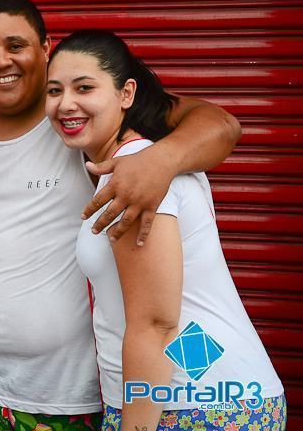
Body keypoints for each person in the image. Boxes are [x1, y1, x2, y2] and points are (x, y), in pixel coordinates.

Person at [0, 0, 242, 431]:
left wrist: (160, 160)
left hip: (64, 397)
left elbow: (222, 126)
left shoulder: (83, 120)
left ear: (45, 48)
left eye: (16, 45)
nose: (1, 60)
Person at [46, 29, 285, 431]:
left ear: (126, 94)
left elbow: (156, 325)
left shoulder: (138, 175)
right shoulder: (142, 164)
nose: (66, 103)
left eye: (84, 87)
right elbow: (176, 312)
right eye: (54, 91)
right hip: (202, 398)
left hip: (196, 409)